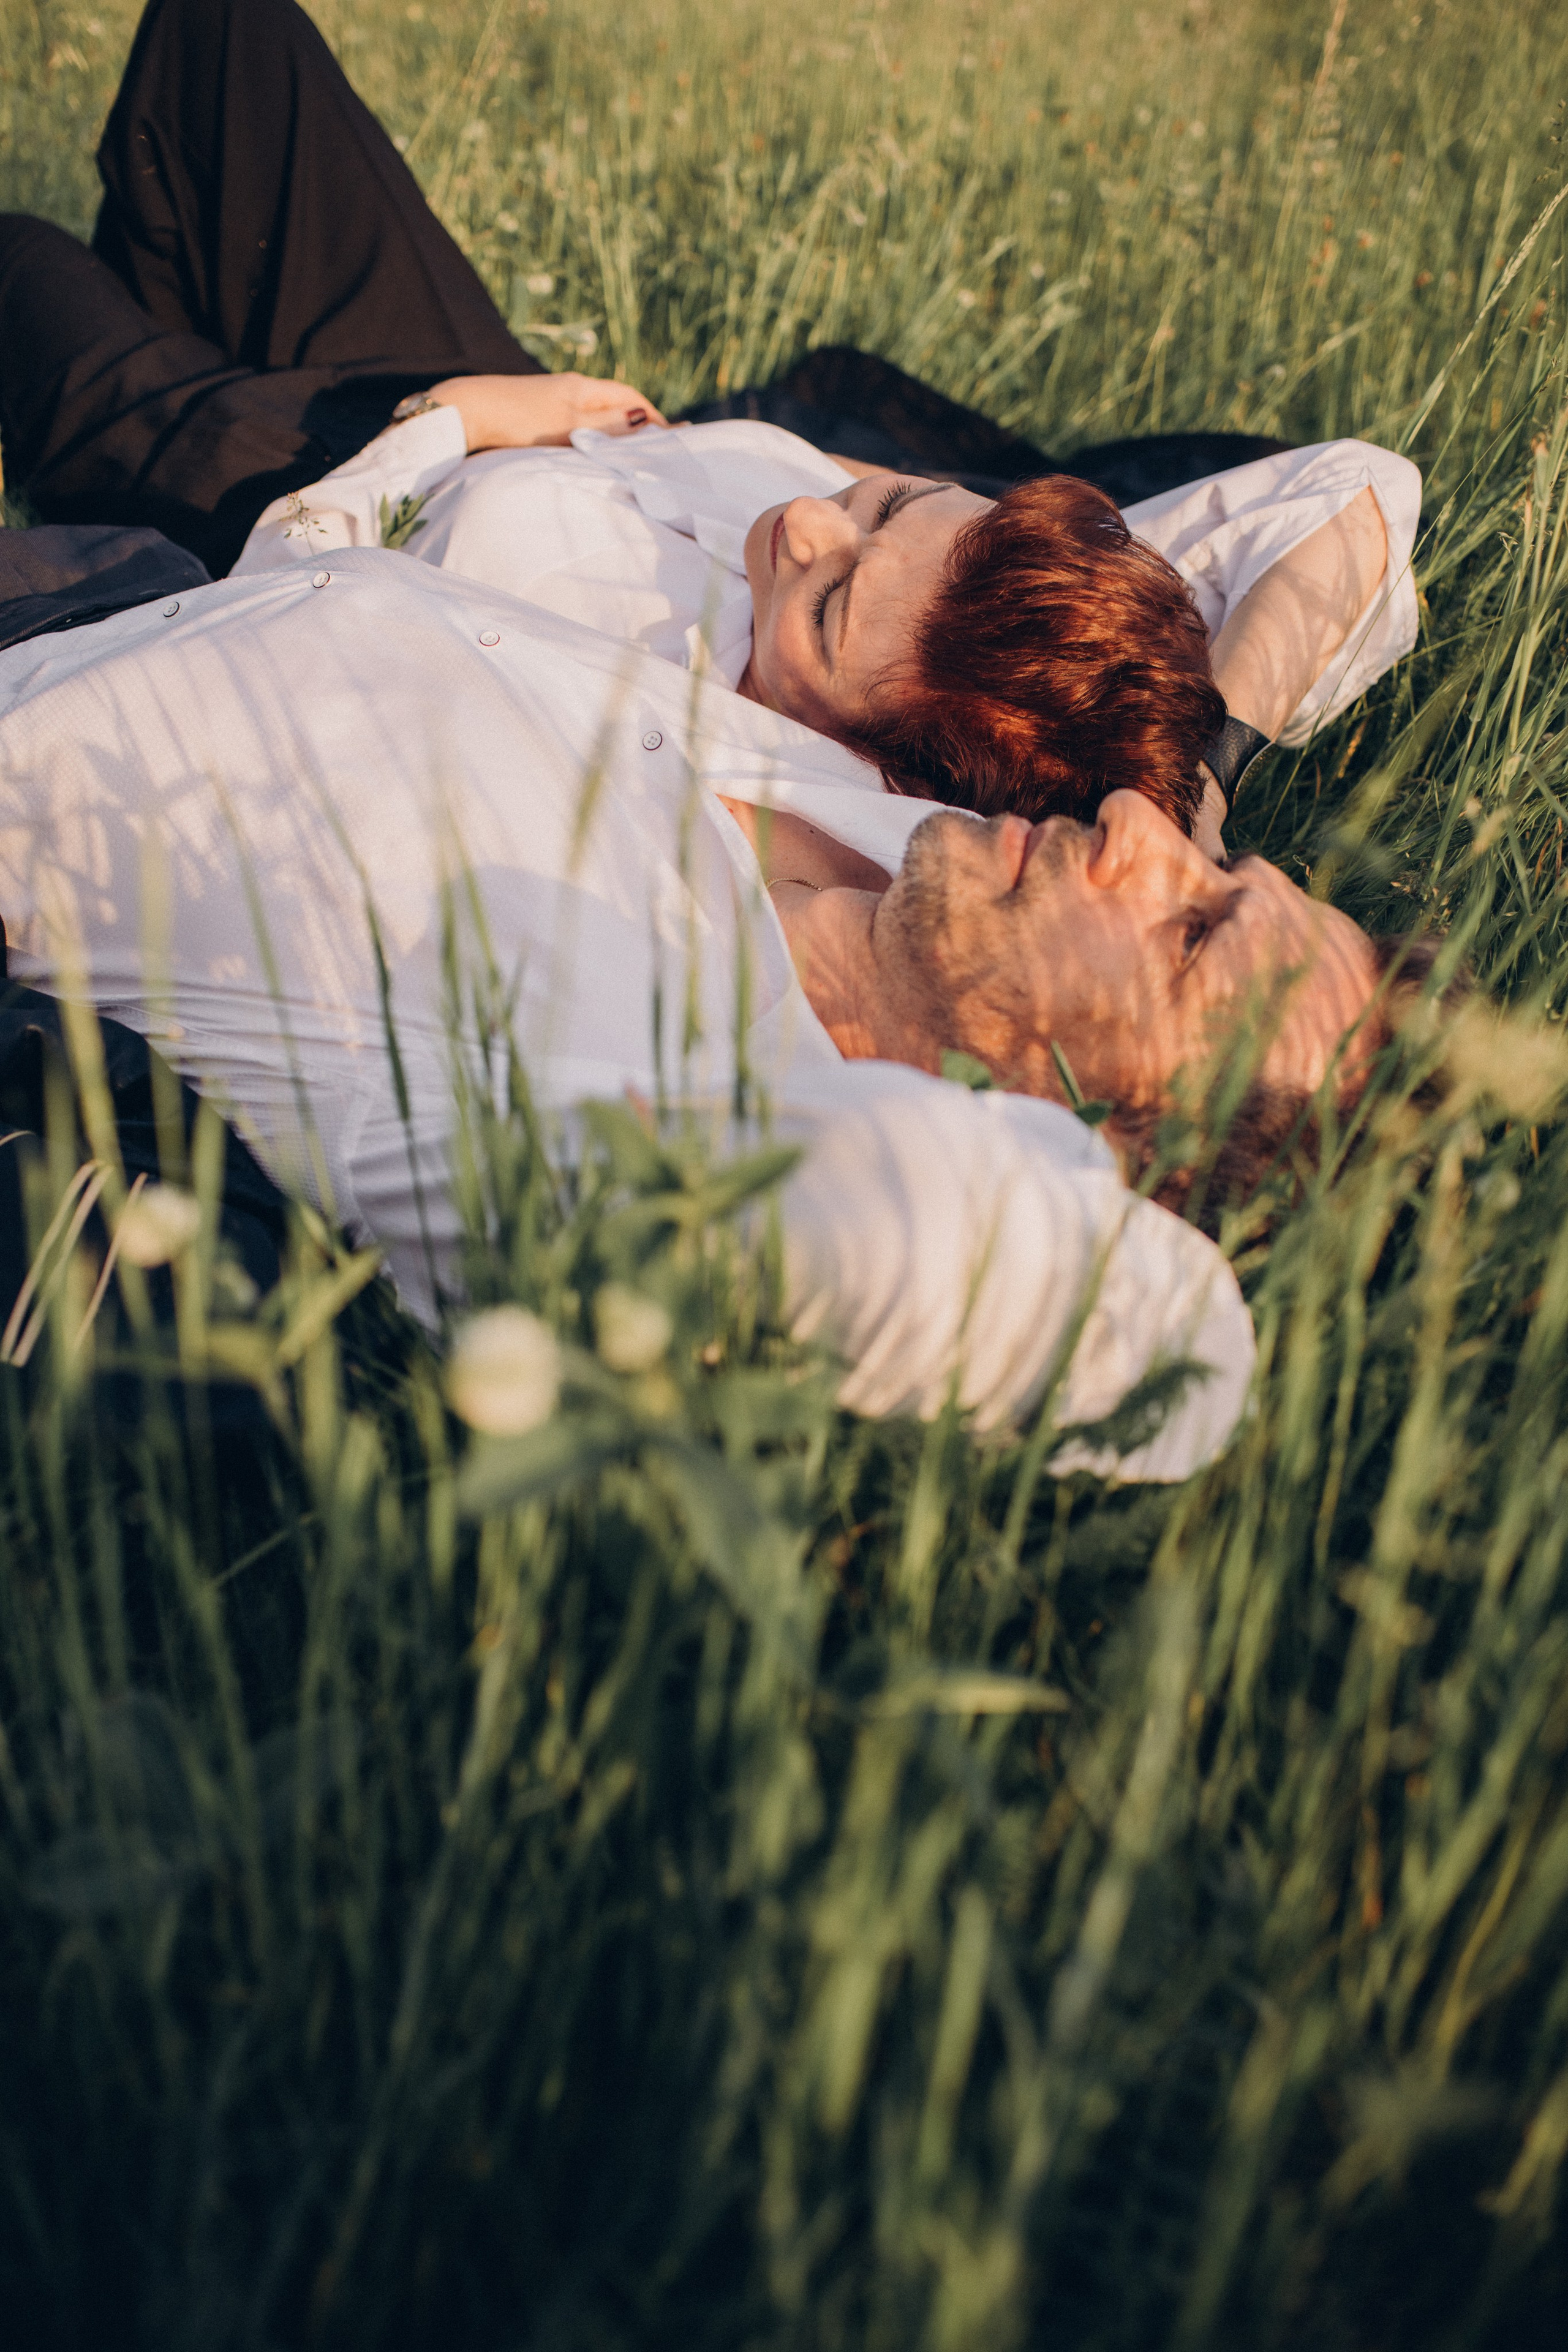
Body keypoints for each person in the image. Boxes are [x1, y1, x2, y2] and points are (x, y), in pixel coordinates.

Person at [0, 497, 1411, 1479]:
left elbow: (1171, 1349)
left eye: (1189, 931)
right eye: (1219, 865)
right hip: (141, 579)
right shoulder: (877, 823)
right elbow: (1344, 500)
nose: (1144, 829)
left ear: (1087, 1136)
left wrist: (1090, 1204)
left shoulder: (626, 1108)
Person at [0, 0, 1422, 854]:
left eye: (828, 598)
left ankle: (121, 384)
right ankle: (159, 313)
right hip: (508, 384)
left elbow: (300, 626)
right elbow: (1354, 490)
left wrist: (450, 423)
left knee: (19, 265)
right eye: (883, 504)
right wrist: (1195, 780)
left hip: (323, 484)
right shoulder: (985, 622)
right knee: (225, 33)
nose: (802, 523)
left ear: (874, 768)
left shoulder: (720, 777)